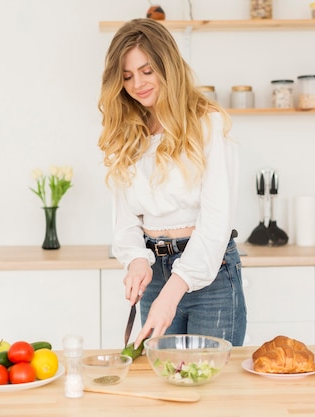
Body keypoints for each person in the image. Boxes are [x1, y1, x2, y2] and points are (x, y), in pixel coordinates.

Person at [97, 18, 247, 348]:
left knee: (209, 387)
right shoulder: (127, 134)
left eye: (147, 71)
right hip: (155, 272)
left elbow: (215, 224)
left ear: (168, 66)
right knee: (162, 385)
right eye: (127, 76)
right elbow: (125, 222)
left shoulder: (208, 124)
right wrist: (136, 260)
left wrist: (173, 290)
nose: (138, 83)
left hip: (212, 276)